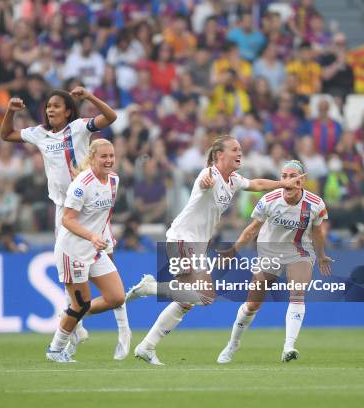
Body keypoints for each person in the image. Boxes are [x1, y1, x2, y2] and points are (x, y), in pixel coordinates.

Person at [126, 135, 305, 365]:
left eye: (240, 149)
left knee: (187, 301)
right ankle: (148, 288)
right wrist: (205, 183)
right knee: (205, 296)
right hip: (182, 239)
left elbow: (257, 184)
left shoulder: (233, 180)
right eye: (234, 149)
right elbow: (204, 182)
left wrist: (282, 184)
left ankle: (147, 347)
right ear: (220, 155)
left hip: (196, 245)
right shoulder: (208, 174)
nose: (239, 153)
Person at [0, 86, 131, 360]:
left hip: (93, 206)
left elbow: (110, 117)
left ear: (69, 110)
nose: (50, 109)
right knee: (78, 288)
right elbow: (6, 135)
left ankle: (86, 320)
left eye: (57, 106)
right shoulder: (40, 134)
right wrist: (10, 112)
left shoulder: (80, 128)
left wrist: (90, 97)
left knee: (110, 289)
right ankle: (72, 323)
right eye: (48, 106)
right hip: (67, 210)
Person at [216, 160, 333, 363]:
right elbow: (252, 229)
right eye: (283, 176)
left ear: (301, 181)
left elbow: (318, 232)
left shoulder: (315, 204)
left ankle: (289, 346)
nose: (286, 180)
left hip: (299, 252)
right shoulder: (270, 199)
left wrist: (321, 256)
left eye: (291, 176)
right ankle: (232, 344)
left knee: (297, 293)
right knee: (252, 304)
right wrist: (234, 249)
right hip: (269, 252)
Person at [46, 139, 127, 362]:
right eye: (104, 156)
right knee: (80, 304)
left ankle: (69, 314)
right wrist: (92, 236)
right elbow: (67, 220)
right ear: (92, 158)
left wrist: (104, 238)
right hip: (72, 250)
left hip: (94, 249)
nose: (109, 160)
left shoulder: (114, 181)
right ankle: (55, 349)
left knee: (117, 297)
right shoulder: (82, 184)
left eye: (112, 156)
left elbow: (103, 217)